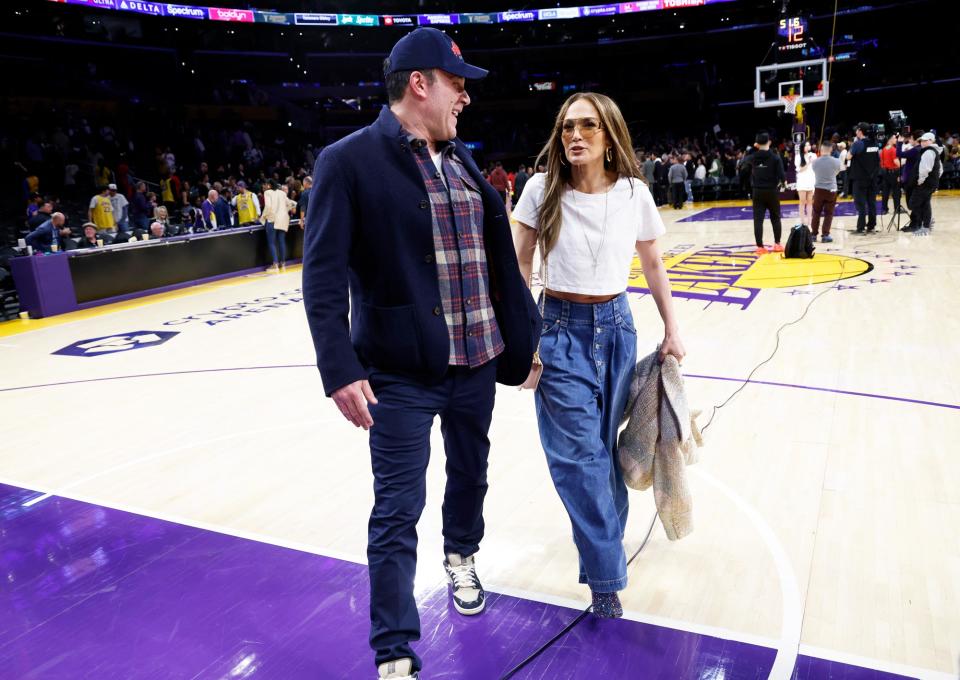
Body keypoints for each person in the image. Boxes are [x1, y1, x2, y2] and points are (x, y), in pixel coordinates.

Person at [302, 28, 539, 680]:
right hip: (398, 375)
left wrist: (528, 339)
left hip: (478, 362)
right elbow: (321, 279)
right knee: (396, 511)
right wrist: (338, 368)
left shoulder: (462, 160)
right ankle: (395, 651)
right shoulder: (347, 161)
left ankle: (461, 554)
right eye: (458, 83)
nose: (466, 97)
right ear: (420, 84)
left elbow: (500, 266)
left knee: (470, 476)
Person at [512, 91, 686, 621]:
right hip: (557, 329)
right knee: (579, 459)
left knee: (603, 448)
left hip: (617, 328)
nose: (575, 136)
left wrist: (672, 328)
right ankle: (607, 577)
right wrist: (526, 343)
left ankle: (603, 538)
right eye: (567, 127)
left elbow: (653, 265)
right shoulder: (540, 189)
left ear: (609, 136)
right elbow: (518, 266)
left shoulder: (633, 192)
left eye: (588, 126)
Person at [741, 132, 786, 254]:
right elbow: (782, 177)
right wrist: (783, 184)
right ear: (769, 142)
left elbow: (742, 164)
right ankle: (777, 244)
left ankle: (760, 247)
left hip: (757, 192)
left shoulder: (753, 157)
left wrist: (752, 150)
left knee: (758, 219)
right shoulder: (775, 157)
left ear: (757, 144)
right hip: (772, 191)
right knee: (775, 218)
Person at [904, 132, 942, 233]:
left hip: (924, 183)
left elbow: (925, 169)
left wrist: (921, 180)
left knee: (914, 203)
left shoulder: (928, 152)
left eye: (926, 140)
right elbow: (940, 169)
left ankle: (924, 225)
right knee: (925, 203)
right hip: (930, 183)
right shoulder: (934, 151)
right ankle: (926, 224)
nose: (923, 142)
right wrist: (935, 178)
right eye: (922, 140)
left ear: (931, 141)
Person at [849, 123, 880, 233]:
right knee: (871, 202)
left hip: (860, 178)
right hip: (872, 178)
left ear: (860, 131)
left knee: (860, 203)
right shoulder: (875, 143)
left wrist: (852, 145)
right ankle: (871, 225)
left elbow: (849, 156)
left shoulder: (858, 144)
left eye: (857, 130)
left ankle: (860, 227)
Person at [261, 180, 296, 272]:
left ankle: (275, 265)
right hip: (283, 219)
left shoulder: (267, 192)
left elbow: (268, 206)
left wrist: (263, 217)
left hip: (272, 219)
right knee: (281, 241)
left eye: (265, 185)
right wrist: (284, 211)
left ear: (269, 185)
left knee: (272, 242)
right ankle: (283, 264)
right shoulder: (282, 193)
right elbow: (292, 204)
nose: (264, 187)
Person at [811, 142, 841, 243]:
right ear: (831, 149)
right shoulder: (836, 161)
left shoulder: (815, 162)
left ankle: (814, 235)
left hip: (819, 189)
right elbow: (836, 173)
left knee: (816, 212)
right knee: (829, 213)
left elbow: (815, 172)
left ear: (821, 149)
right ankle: (825, 235)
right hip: (831, 189)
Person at [794, 141, 816, 228]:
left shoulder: (813, 155)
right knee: (802, 202)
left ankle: (809, 221)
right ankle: (802, 221)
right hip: (802, 181)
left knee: (810, 202)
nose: (808, 146)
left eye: (809, 144)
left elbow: (816, 166)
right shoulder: (798, 156)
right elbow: (800, 169)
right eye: (806, 145)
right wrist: (809, 162)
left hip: (811, 180)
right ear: (802, 147)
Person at [879, 134, 902, 215]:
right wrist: (902, 164)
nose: (896, 139)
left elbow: (881, 163)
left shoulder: (883, 149)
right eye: (894, 138)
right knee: (896, 191)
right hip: (893, 172)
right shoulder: (893, 149)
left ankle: (884, 209)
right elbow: (896, 161)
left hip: (885, 172)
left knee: (885, 191)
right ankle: (897, 209)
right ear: (890, 139)